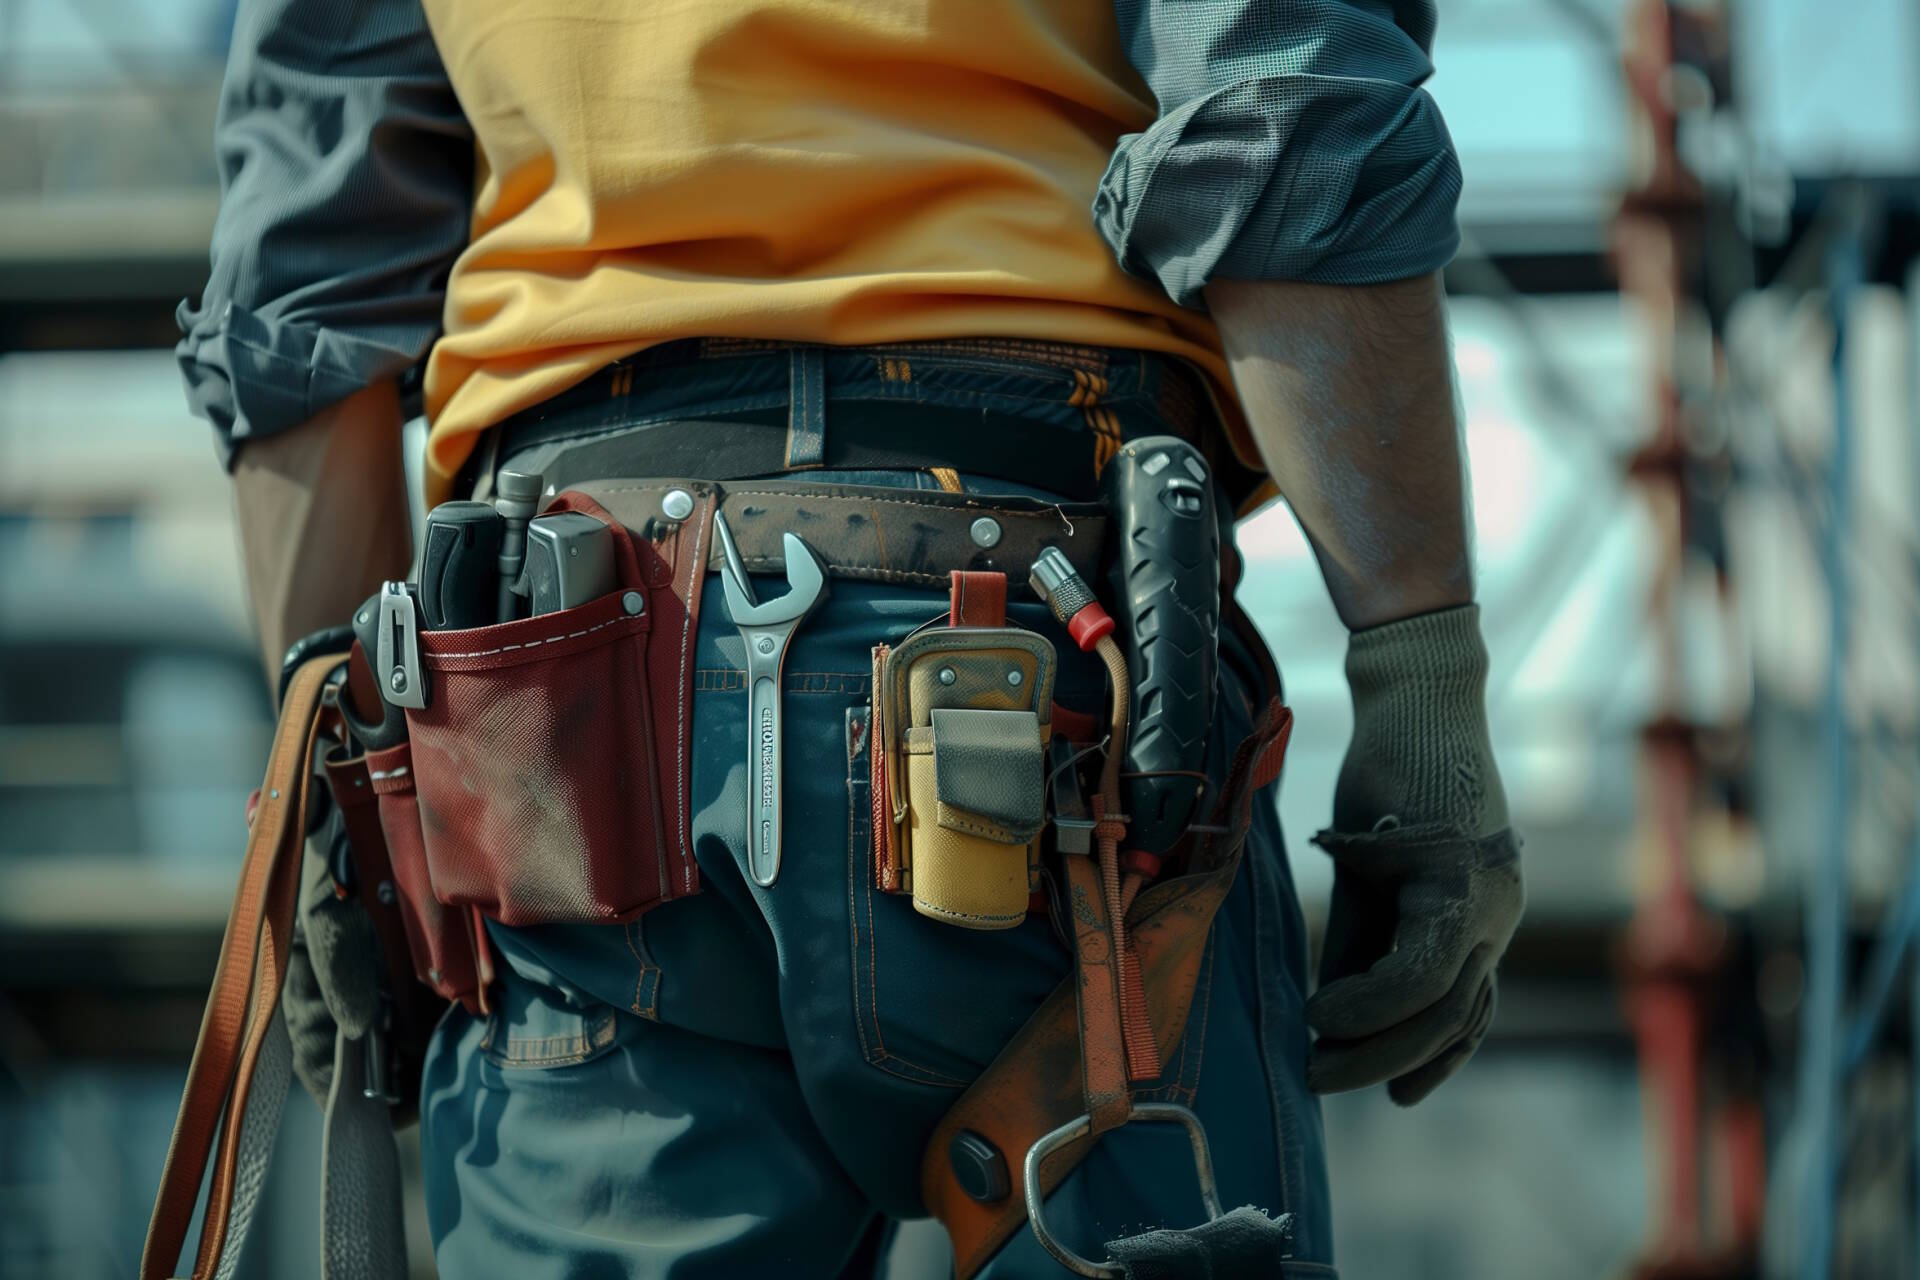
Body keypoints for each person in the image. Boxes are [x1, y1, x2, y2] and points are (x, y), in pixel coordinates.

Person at [179, 0, 1524, 1274]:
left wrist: (351, 815)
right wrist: (1418, 681)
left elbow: (305, 286)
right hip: (1068, 662)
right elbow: (1286, 96)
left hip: (580, 706)